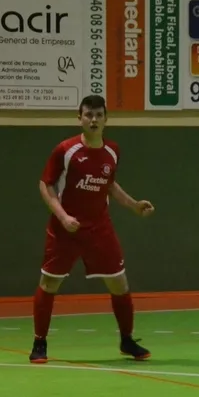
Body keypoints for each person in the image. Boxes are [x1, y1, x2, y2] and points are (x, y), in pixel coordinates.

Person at [30, 95, 155, 363]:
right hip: (65, 230)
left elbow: (109, 184)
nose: (94, 119)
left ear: (106, 118)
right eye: (88, 115)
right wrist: (63, 217)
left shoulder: (112, 151)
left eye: (99, 114)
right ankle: (39, 343)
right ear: (80, 118)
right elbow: (46, 184)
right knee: (49, 283)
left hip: (99, 229)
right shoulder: (66, 150)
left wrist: (134, 205)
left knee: (119, 283)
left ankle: (126, 340)